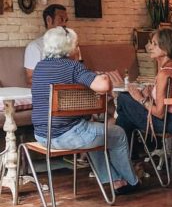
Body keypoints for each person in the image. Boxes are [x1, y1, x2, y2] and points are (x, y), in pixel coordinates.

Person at [32, 27, 139, 195]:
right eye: (76, 45)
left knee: (92, 133)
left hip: (42, 136)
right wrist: (98, 73)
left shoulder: (39, 67)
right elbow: (102, 85)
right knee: (117, 133)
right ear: (70, 47)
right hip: (68, 136)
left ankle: (115, 180)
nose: (78, 47)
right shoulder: (72, 67)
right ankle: (130, 182)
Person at [115, 27, 172, 152]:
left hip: (168, 122)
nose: (150, 47)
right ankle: (135, 154)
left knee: (123, 98)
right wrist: (150, 95)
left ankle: (130, 158)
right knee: (124, 118)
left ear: (166, 48)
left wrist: (140, 98)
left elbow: (160, 113)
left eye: (154, 44)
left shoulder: (165, 74)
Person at [24, 4, 69, 86]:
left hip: (73, 91)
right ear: (49, 20)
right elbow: (30, 79)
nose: (64, 24)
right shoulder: (35, 47)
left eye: (66, 21)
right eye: (61, 20)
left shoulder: (71, 44)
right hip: (49, 93)